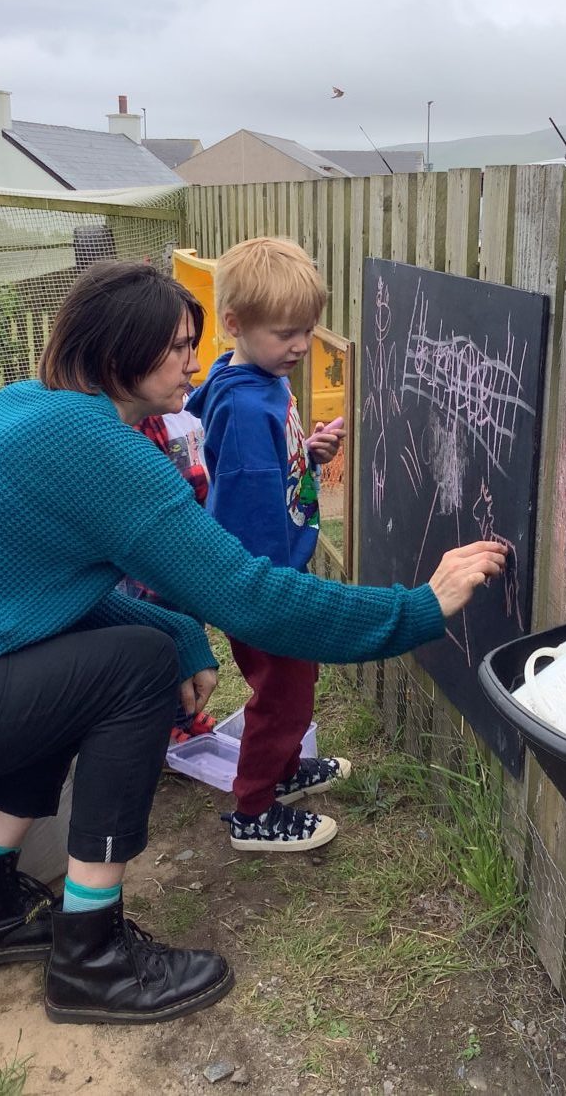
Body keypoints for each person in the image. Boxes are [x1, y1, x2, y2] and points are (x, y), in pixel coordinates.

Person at [0, 259, 507, 1028]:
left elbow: (21, 596)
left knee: (109, 658)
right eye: (178, 346)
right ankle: (90, 956)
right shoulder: (105, 455)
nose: (193, 360)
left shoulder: (23, 405)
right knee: (134, 671)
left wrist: (175, 629)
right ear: (119, 355)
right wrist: (418, 607)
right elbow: (251, 597)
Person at [187, 237, 350, 853]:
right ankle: (254, 810)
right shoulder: (246, 407)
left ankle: (283, 773)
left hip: (274, 572)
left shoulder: (259, 377)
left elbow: (267, 472)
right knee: (282, 696)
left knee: (292, 686)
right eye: (287, 333)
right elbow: (246, 514)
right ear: (235, 324)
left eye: (307, 330)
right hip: (265, 582)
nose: (302, 346)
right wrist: (279, 595)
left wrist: (306, 455)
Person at [116, 405, 217, 743]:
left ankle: (182, 718)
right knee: (157, 647)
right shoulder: (141, 422)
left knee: (189, 630)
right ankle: (159, 733)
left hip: (191, 556)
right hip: (153, 575)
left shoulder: (192, 405)